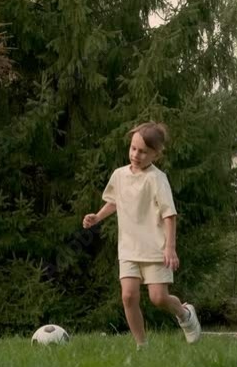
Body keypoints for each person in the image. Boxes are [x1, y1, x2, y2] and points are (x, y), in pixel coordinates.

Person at [83, 122, 201, 348]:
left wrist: (170, 248)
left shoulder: (157, 179)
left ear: (156, 154)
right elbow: (114, 201)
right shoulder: (119, 175)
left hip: (155, 249)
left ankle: (185, 313)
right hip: (128, 249)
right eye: (133, 148)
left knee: (158, 298)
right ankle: (142, 346)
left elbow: (169, 214)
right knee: (128, 296)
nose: (136, 155)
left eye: (143, 151)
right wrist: (97, 217)